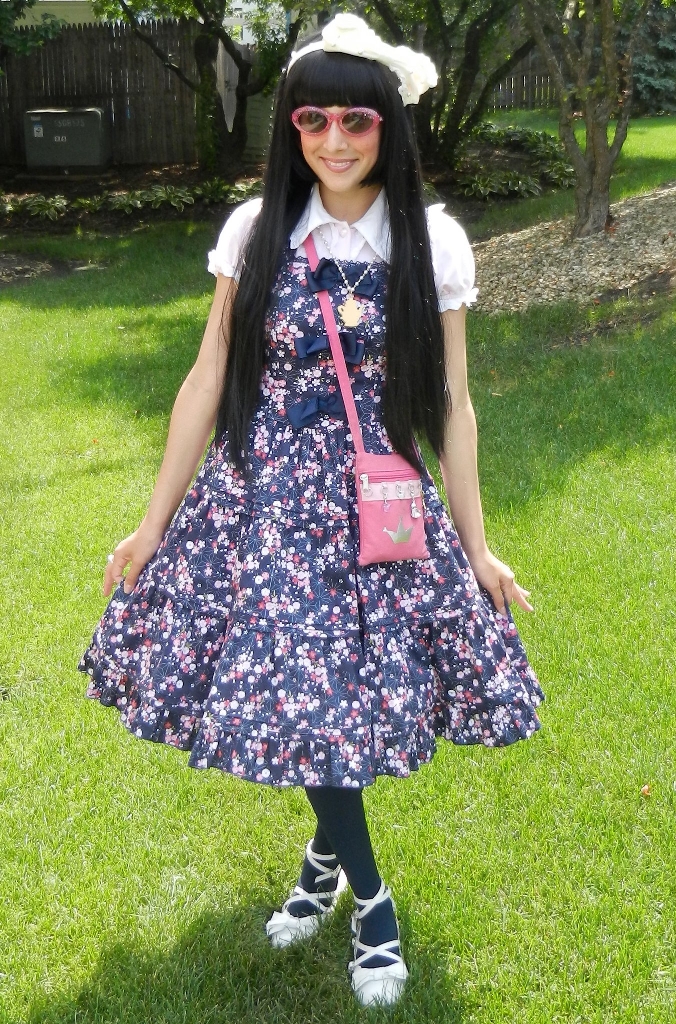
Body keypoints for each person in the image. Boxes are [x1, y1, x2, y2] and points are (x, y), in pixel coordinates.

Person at [79, 13, 544, 1008]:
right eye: (313, 120)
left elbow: (454, 403)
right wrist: (154, 522)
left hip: (373, 507)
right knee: (299, 692)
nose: (333, 140)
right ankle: (369, 901)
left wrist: (478, 544)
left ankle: (329, 872)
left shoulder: (432, 241)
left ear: (390, 128)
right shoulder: (257, 231)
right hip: (261, 508)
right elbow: (207, 376)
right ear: (291, 128)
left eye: (356, 122)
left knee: (332, 704)